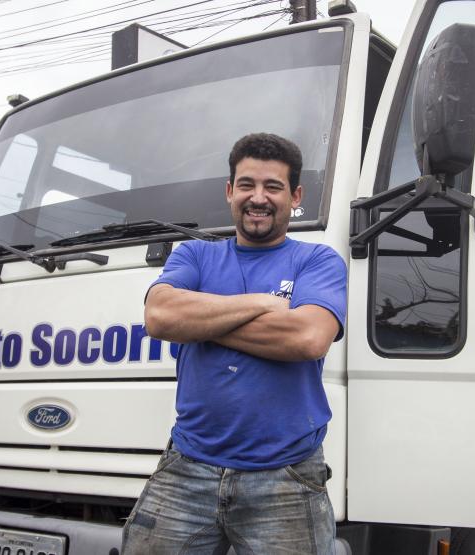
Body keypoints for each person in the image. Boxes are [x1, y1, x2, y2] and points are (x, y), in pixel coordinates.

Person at [124, 133, 347, 554]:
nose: (257, 198)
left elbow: (307, 337)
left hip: (286, 476)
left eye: (273, 187)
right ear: (230, 191)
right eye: (246, 185)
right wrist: (264, 303)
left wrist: (200, 321)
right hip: (186, 470)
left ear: (294, 195)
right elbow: (160, 317)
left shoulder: (317, 261)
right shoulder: (194, 255)